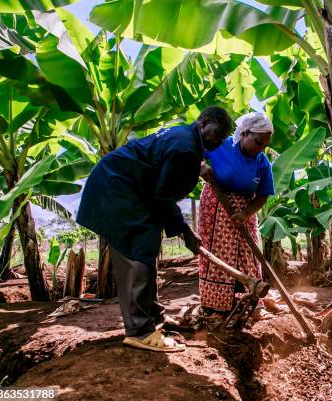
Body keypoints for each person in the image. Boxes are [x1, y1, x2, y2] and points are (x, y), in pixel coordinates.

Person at [76, 106, 233, 352]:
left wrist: (197, 167)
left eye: (223, 138)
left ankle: (153, 317)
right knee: (140, 249)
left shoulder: (186, 138)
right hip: (117, 188)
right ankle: (140, 331)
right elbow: (163, 197)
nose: (219, 140)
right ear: (204, 122)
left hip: (125, 186)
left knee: (147, 246)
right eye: (218, 133)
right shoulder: (186, 148)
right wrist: (185, 231)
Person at [196, 112, 275, 322]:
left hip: (244, 212)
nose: (260, 149)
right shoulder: (221, 145)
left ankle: (250, 299)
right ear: (245, 133)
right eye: (258, 142)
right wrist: (200, 165)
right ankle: (216, 305)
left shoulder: (261, 161)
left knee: (247, 254)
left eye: (265, 145)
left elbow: (264, 193)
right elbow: (193, 152)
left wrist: (246, 213)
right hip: (215, 207)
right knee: (217, 254)